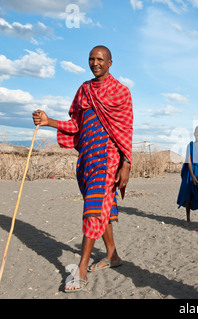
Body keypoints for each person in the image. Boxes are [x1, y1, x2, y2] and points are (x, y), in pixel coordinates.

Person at [32, 45, 133, 292]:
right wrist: (48, 122)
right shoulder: (84, 90)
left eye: (100, 59)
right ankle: (112, 255)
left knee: (92, 207)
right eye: (91, 59)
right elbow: (76, 124)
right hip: (87, 158)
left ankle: (81, 268)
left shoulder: (121, 92)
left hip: (108, 157)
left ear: (110, 62)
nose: (95, 63)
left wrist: (126, 163)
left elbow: (125, 129)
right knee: (102, 206)